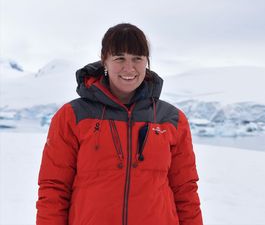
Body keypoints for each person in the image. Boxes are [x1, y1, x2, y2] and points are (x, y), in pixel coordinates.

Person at [36, 23, 203, 225]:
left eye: (137, 59)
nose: (129, 68)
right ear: (104, 60)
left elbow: (185, 191)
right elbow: (54, 189)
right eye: (119, 58)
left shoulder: (171, 119)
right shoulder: (72, 116)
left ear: (146, 62)